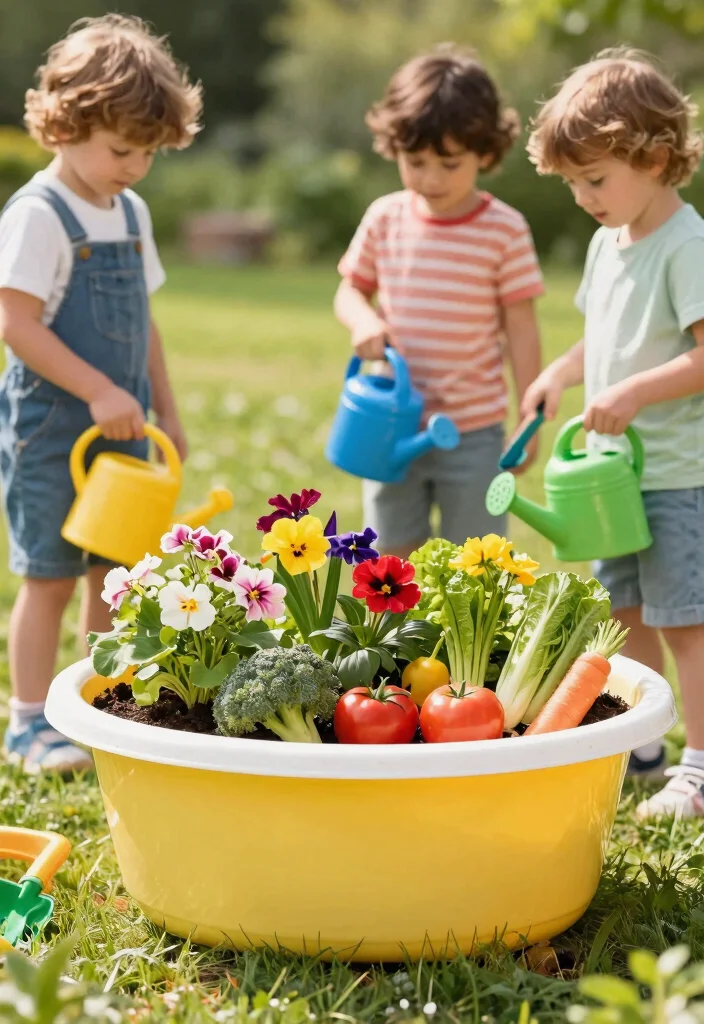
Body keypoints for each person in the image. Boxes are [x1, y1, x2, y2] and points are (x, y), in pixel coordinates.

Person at [0, 15, 201, 774]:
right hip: (52, 428)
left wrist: (164, 412)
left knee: (112, 578)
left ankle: (90, 707)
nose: (137, 166)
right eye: (123, 149)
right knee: (49, 574)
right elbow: (14, 324)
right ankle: (27, 723)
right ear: (65, 123)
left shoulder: (132, 212)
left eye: (150, 152)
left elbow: (145, 323)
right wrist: (94, 389)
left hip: (123, 426)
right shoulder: (39, 214)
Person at [523, 50, 704, 818]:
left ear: (656, 157)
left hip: (675, 474)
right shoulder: (609, 243)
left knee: (685, 622)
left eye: (595, 179)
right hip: (611, 479)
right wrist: (562, 373)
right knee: (623, 611)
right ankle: (642, 742)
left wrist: (632, 391)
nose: (583, 197)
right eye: (572, 183)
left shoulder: (684, 244)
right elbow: (601, 337)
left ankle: (698, 767)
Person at [334, 46, 544, 557]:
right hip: (391, 424)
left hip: (473, 433)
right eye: (416, 162)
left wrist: (528, 418)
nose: (430, 179)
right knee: (389, 555)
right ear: (394, 148)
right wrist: (361, 319)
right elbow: (350, 289)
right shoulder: (386, 218)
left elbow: (521, 326)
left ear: (486, 154)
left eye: (449, 164)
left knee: (476, 561)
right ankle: (399, 640)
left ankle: (468, 642)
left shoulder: (504, 230)